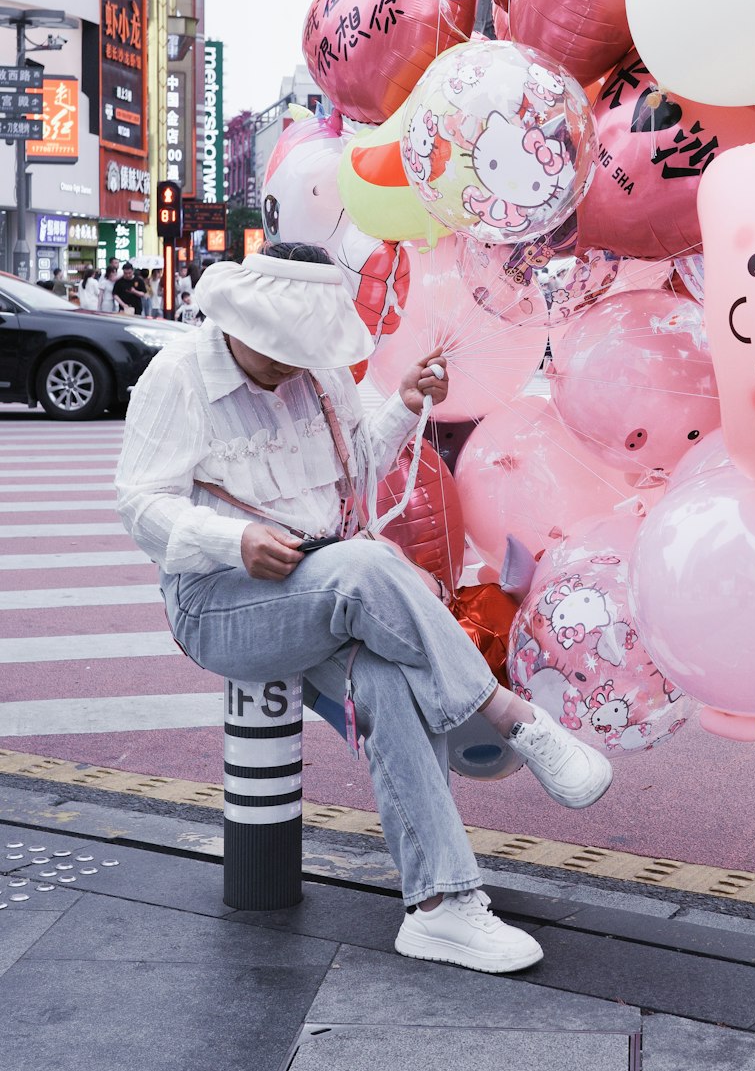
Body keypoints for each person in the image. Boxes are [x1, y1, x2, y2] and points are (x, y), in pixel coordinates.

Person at [115, 243, 612, 974]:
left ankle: (442, 907)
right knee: (365, 566)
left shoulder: (320, 377)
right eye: (276, 344)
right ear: (239, 315)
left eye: (301, 346)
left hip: (327, 587)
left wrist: (405, 407)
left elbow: (353, 478)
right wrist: (232, 540)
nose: (289, 362)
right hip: (219, 603)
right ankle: (513, 717)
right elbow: (139, 504)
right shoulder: (179, 375)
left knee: (382, 676)